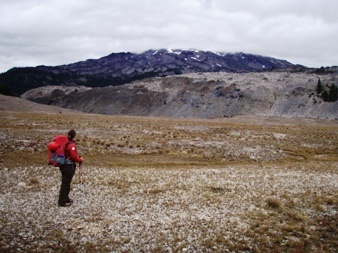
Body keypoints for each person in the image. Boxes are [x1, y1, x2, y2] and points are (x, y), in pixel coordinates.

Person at [58, 129, 83, 207]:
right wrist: (79, 159)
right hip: (68, 166)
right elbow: (73, 157)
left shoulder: (65, 143)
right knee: (65, 184)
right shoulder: (71, 145)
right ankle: (62, 202)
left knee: (66, 183)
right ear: (74, 136)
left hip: (64, 165)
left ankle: (66, 198)